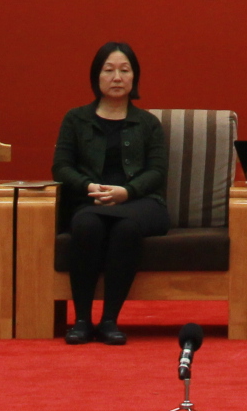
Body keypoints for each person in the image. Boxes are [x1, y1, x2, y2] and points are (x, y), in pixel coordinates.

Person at [49, 41, 167, 346]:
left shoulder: (148, 123)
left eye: (124, 70)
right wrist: (88, 187)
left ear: (134, 77)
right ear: (96, 76)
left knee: (126, 227)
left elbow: (157, 171)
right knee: (87, 224)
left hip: (140, 203)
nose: (117, 77)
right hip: (90, 201)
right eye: (109, 70)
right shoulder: (76, 119)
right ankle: (82, 321)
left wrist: (127, 192)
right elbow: (61, 167)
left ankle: (110, 320)